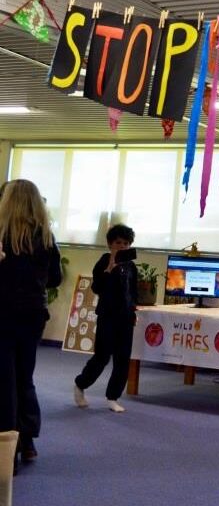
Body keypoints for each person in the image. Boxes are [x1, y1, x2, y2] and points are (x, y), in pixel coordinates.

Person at [0, 179, 62, 471]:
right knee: (25, 377)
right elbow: (55, 279)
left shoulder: (1, 236)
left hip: (2, 315)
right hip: (33, 315)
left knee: (5, 381)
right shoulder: (47, 237)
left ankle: (6, 451)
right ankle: (28, 441)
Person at [74, 224, 139, 413]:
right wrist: (109, 269)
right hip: (107, 316)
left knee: (123, 359)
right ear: (110, 244)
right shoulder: (103, 262)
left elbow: (133, 292)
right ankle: (80, 384)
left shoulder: (131, 266)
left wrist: (133, 311)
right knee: (102, 356)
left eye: (126, 243)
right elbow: (97, 288)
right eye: (118, 243)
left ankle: (112, 397)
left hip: (125, 318)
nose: (122, 246)